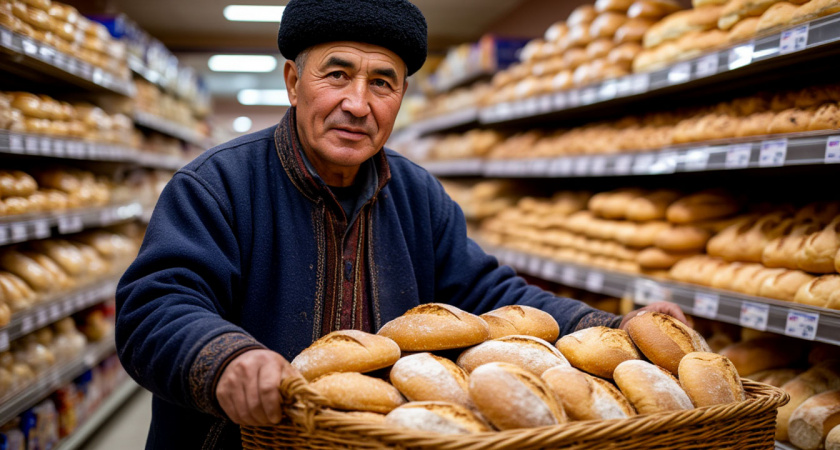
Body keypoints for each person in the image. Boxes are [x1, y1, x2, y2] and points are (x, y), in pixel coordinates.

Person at [115, 0, 686, 448]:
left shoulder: (417, 195)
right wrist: (225, 357)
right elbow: (156, 306)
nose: (358, 103)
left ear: (401, 97)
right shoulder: (218, 185)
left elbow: (490, 293)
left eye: (381, 82)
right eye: (336, 75)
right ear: (293, 82)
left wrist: (613, 326)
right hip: (240, 444)